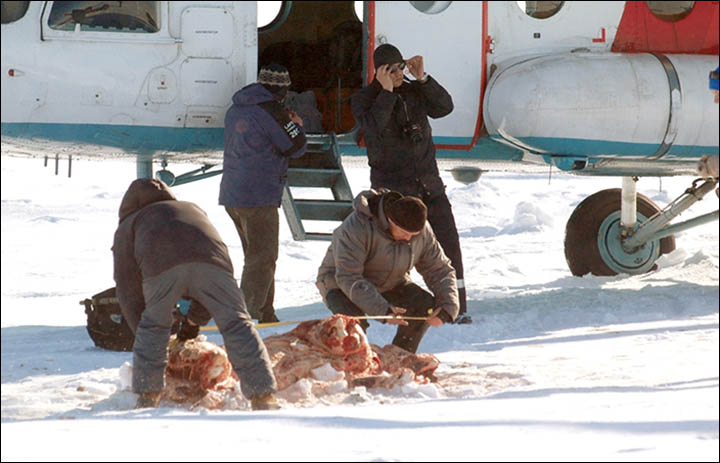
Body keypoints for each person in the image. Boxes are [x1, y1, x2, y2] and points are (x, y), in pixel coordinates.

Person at [113, 178, 279, 410]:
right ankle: (264, 395)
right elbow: (207, 256)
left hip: (161, 269)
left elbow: (127, 286)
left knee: (154, 326)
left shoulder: (130, 224)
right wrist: (194, 320)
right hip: (214, 265)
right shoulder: (191, 209)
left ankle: (148, 396)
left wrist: (141, 329)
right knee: (237, 324)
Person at [351, 43, 470, 324]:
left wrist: (423, 78)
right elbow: (374, 128)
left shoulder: (415, 91)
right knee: (389, 255)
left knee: (448, 248)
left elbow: (445, 107)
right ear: (378, 71)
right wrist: (386, 93)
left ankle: (456, 308)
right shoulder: (365, 99)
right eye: (390, 70)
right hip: (394, 193)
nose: (397, 74)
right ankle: (384, 310)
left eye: (400, 68)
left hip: (429, 185)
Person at [316, 189, 460, 354]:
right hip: (340, 284)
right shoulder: (355, 227)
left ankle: (399, 359)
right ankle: (349, 366)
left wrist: (447, 306)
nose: (409, 239)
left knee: (423, 306)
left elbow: (439, 270)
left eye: (414, 235)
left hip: (391, 282)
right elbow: (349, 277)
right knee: (352, 325)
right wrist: (383, 310)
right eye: (405, 233)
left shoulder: (421, 232)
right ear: (390, 220)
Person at [220, 63, 307, 324]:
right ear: (281, 88)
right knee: (263, 258)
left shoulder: (237, 107)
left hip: (234, 193)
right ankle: (244, 317)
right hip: (258, 195)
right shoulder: (272, 111)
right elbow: (296, 146)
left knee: (256, 256)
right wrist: (297, 125)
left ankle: (267, 313)